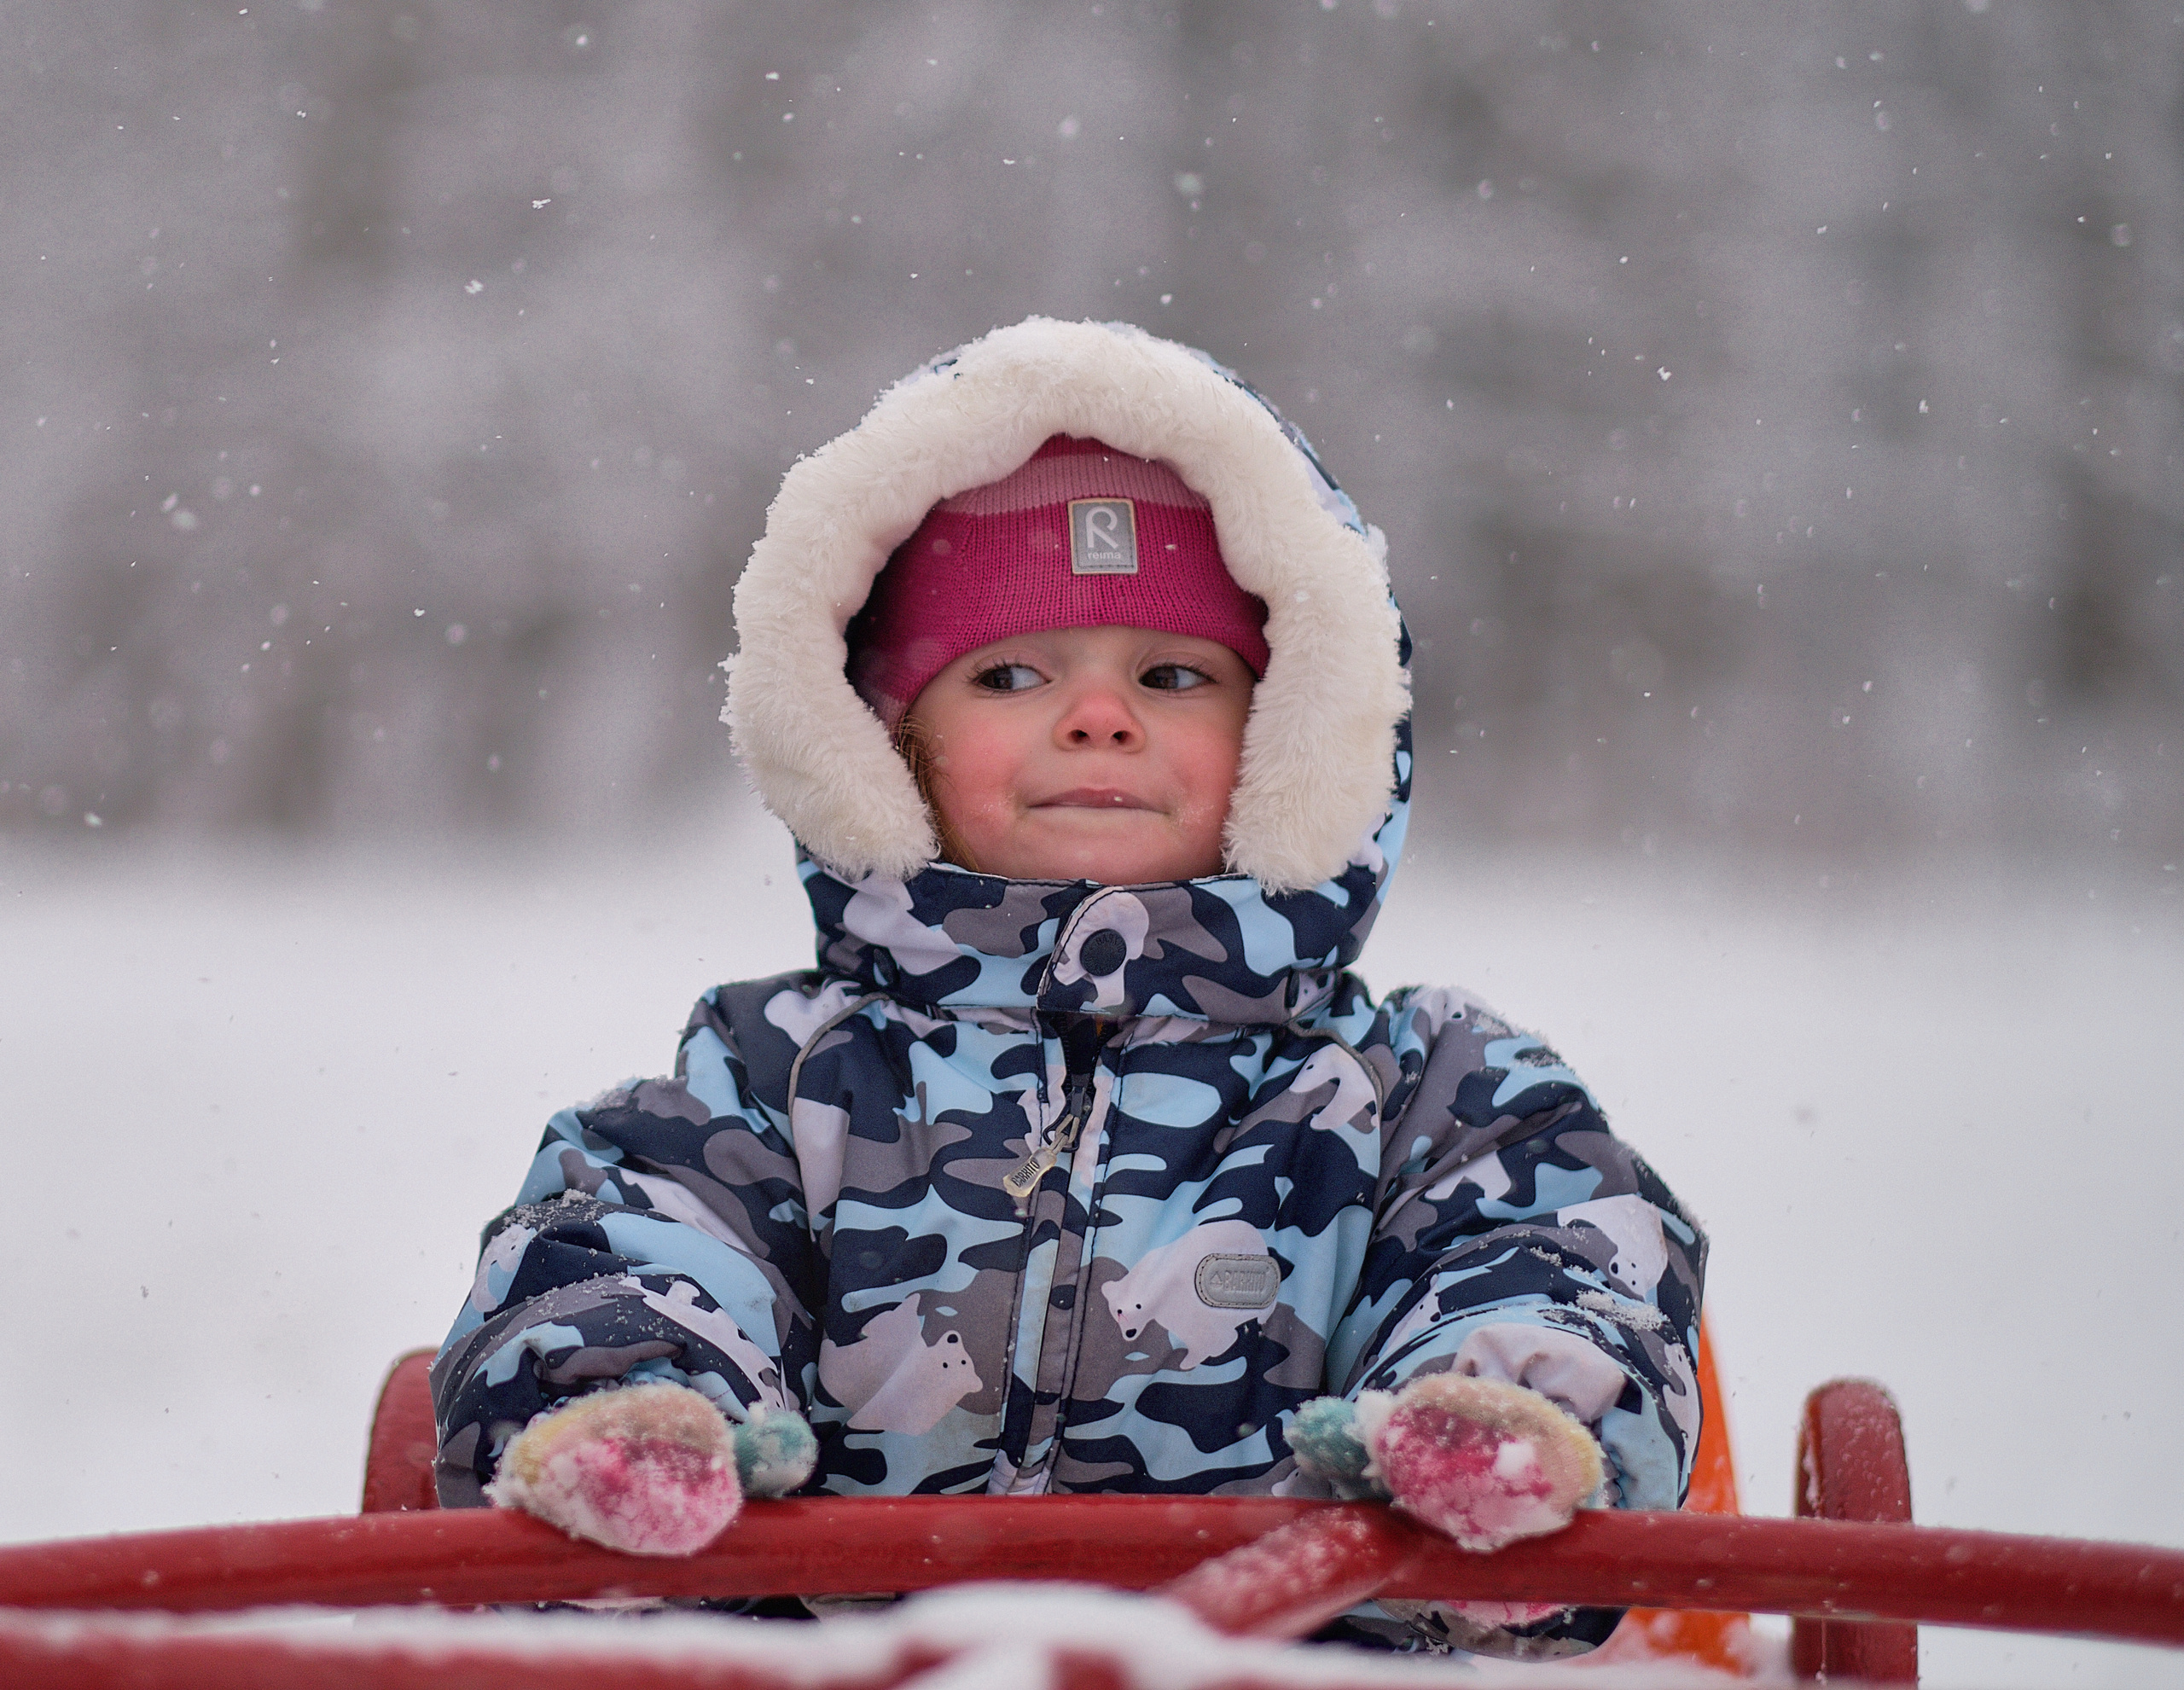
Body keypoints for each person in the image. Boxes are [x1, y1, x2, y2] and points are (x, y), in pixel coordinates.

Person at [431, 317, 1706, 1657]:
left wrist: (1497, 1413)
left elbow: (1552, 1256)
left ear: (1287, 737)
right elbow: (641, 1235)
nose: (1099, 717)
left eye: (1171, 674)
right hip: (851, 1664)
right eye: (1011, 672)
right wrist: (632, 1403)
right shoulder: (772, 1075)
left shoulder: (1423, 1092)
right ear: (891, 744)